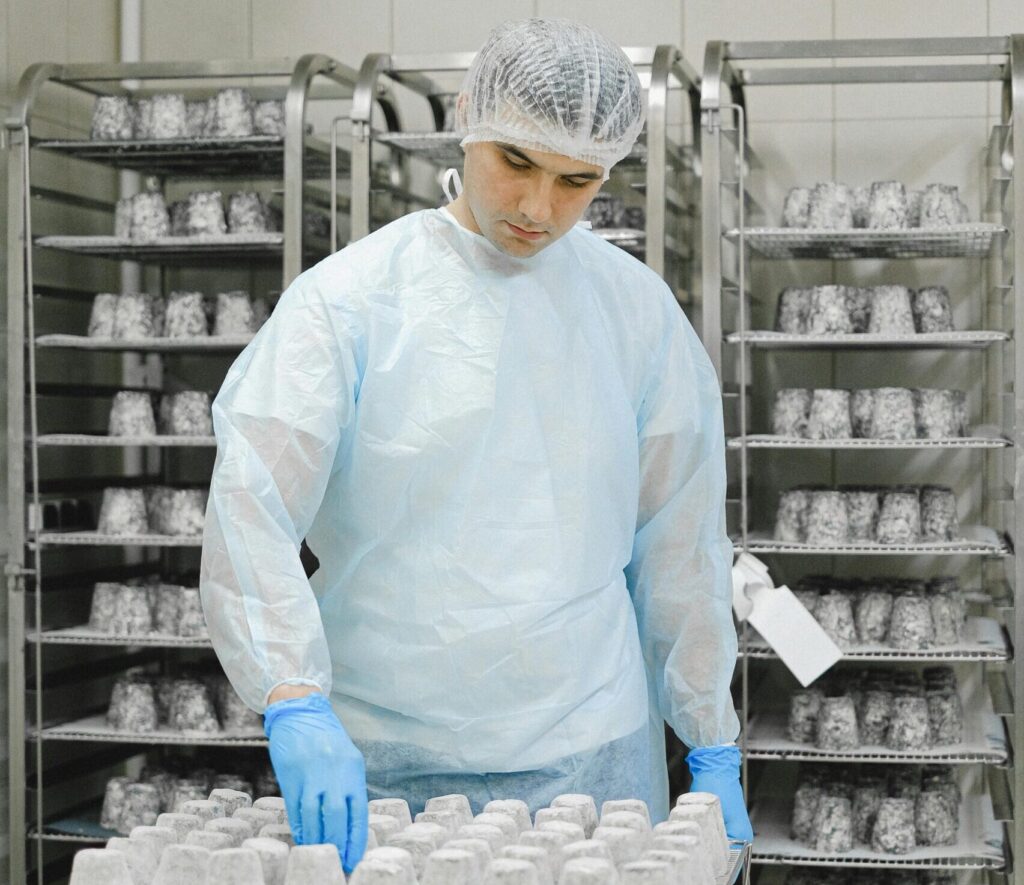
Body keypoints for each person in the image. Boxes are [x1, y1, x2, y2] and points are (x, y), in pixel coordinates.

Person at [200, 18, 750, 873]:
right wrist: (291, 696)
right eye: (517, 163)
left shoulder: (636, 316)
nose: (538, 208)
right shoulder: (351, 302)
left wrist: (710, 736)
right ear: (467, 118)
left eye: (577, 180)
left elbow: (679, 543)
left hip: (587, 753)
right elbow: (251, 502)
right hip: (385, 750)